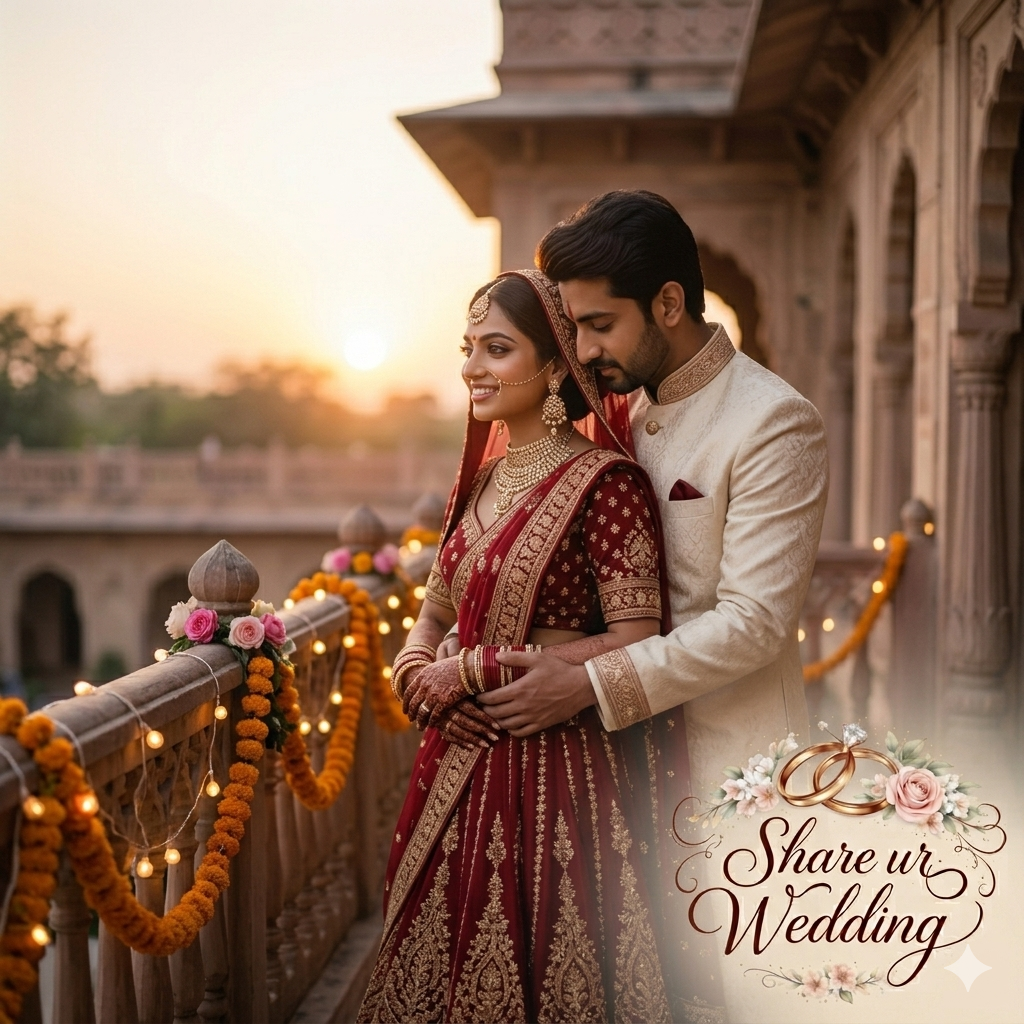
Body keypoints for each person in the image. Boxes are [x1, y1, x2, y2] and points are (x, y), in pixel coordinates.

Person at [478, 191, 829, 1019]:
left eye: (599, 325)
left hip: (725, 769)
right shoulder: (617, 411)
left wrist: (587, 684)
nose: (583, 348)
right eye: (573, 325)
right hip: (614, 771)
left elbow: (753, 623)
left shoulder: (774, 422)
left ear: (668, 303)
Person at [357, 269, 683, 1024]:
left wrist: (473, 668)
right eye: (467, 348)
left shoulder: (608, 485)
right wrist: (414, 670)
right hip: (454, 755)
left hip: (554, 760)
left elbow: (637, 637)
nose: (472, 367)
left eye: (496, 349)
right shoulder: (479, 483)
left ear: (552, 367)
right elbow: (430, 613)